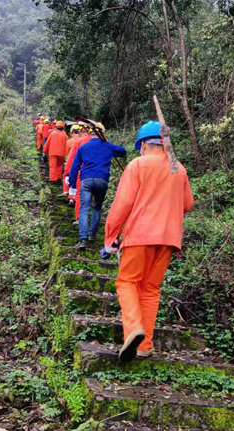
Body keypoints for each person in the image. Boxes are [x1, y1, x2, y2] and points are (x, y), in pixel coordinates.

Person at [103, 121, 194, 362]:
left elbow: (122, 205)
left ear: (143, 145)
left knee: (126, 282)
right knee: (150, 289)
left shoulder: (138, 165)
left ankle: (133, 328)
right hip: (168, 240)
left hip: (140, 236)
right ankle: (144, 345)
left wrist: (110, 237)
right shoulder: (179, 169)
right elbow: (188, 204)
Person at [69, 123, 127, 249]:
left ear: (91, 133)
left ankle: (83, 239)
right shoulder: (107, 146)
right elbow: (123, 151)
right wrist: (108, 144)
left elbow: (74, 167)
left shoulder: (84, 147)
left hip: (86, 180)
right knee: (97, 207)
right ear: (103, 134)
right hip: (102, 180)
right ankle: (92, 235)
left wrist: (73, 185)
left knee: (84, 209)